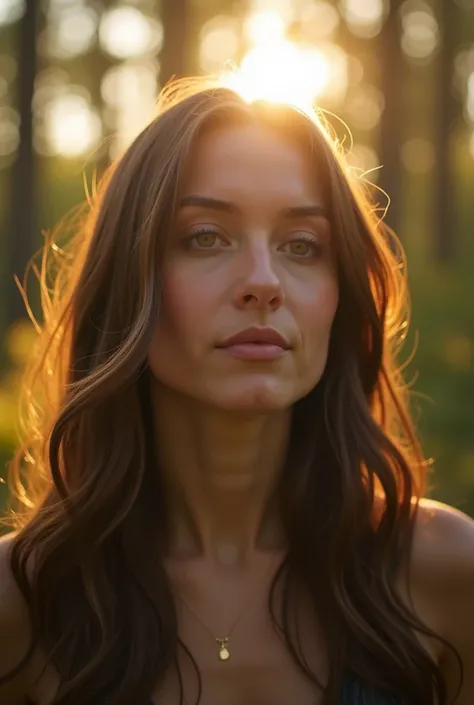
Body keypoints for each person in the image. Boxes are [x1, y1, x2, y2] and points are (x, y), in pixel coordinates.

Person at [0, 77, 473, 705]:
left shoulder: (443, 572)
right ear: (128, 279)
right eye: (205, 237)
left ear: (340, 295)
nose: (263, 282)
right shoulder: (22, 600)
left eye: (303, 245)